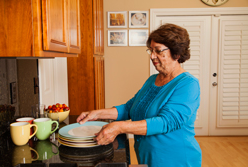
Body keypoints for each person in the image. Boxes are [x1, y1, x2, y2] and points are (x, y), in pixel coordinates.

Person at [77, 23, 202, 167]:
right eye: (150, 51)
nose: (152, 56)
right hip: (148, 156)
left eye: (158, 51)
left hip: (176, 159)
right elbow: (131, 108)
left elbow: (166, 122)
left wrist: (120, 127)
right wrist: (97, 114)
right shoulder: (152, 80)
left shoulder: (188, 84)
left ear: (176, 53)